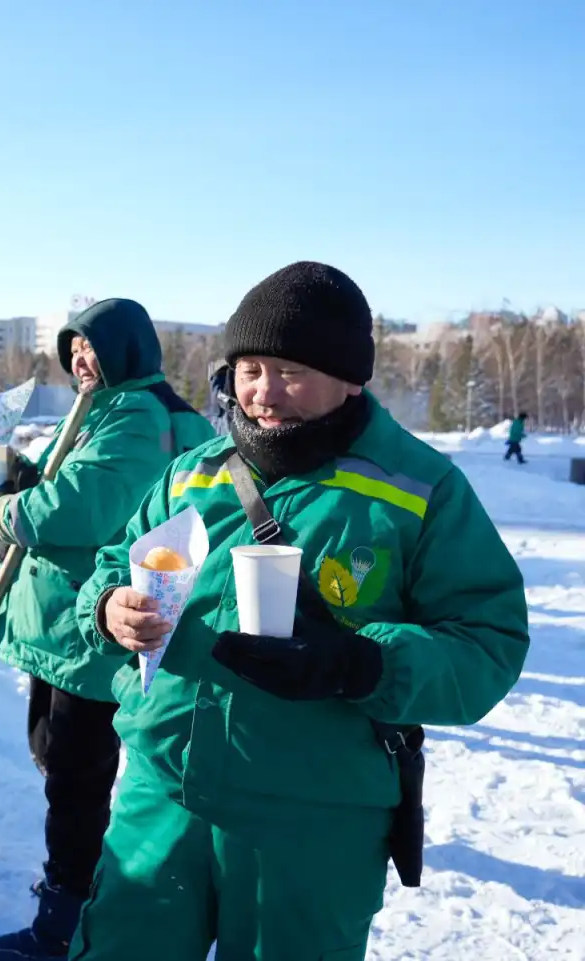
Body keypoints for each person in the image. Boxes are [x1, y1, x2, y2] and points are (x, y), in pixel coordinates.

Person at [70, 261, 530, 960]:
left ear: (350, 375)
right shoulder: (196, 469)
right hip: (165, 794)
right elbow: (113, 561)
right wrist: (109, 609)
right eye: (250, 368)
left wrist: (363, 662)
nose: (263, 392)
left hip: (314, 821)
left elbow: (489, 641)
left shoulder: (418, 488)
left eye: (288, 370)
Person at [0, 298, 213, 960]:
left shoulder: (137, 415)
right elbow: (67, 486)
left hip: (89, 633)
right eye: (72, 348)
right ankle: (78, 891)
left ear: (128, 350)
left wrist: (2, 509)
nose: (80, 359)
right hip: (78, 630)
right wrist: (23, 478)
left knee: (76, 779)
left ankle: (63, 921)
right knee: (72, 766)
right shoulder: (113, 409)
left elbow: (75, 510)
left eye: (93, 347)